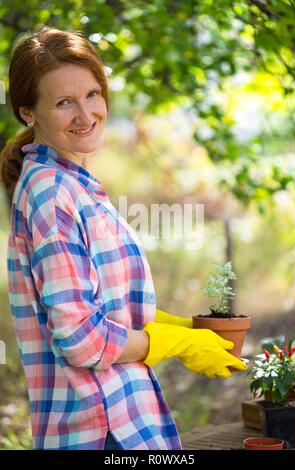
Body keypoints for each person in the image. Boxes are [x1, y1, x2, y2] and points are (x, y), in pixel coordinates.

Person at [0, 27, 247, 450]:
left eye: (92, 94)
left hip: (124, 422)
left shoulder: (73, 183)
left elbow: (100, 305)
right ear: (28, 112)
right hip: (101, 429)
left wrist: (186, 327)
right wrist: (180, 343)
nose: (86, 114)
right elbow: (82, 340)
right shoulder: (50, 193)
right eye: (64, 102)